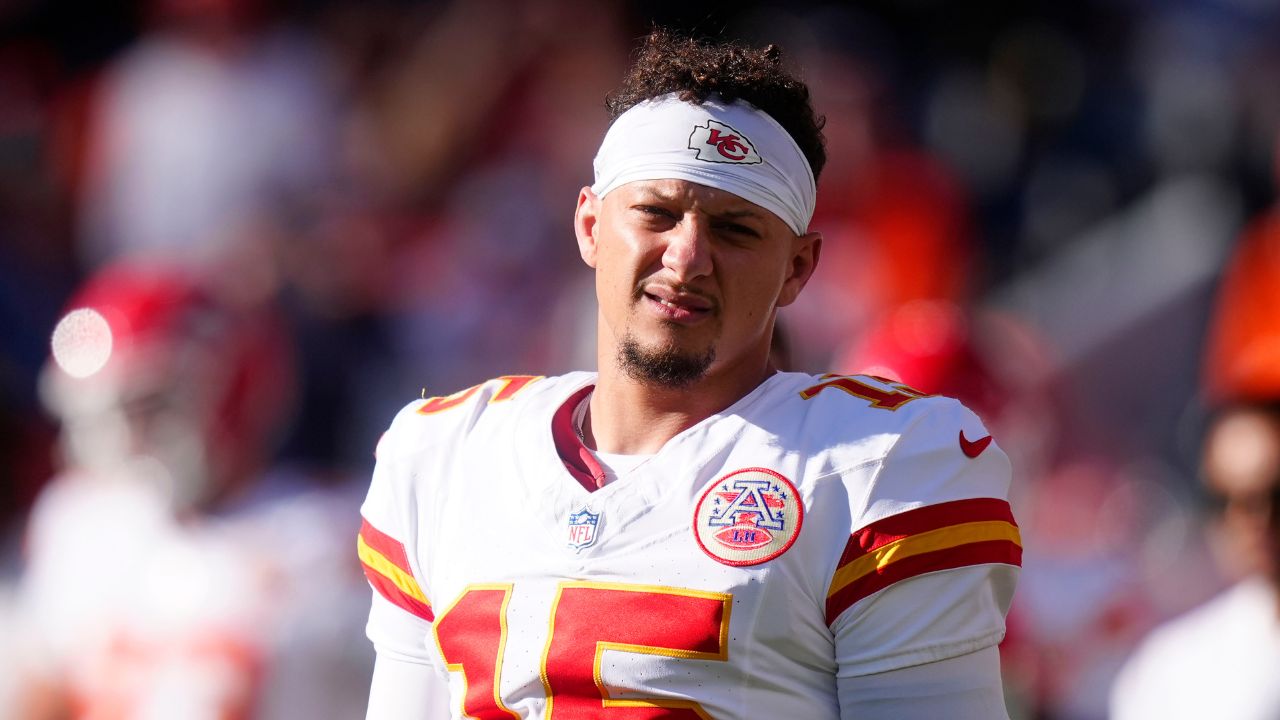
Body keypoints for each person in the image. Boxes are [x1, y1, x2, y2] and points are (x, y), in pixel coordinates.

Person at [358, 30, 1020, 720]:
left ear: (798, 267)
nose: (688, 256)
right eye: (656, 213)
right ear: (588, 225)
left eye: (736, 229)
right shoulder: (446, 456)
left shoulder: (872, 469)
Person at [12, 262, 372, 719]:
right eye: (110, 412)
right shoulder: (82, 524)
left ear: (234, 382)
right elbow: (42, 689)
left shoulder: (328, 537)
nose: (124, 437)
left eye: (151, 406)